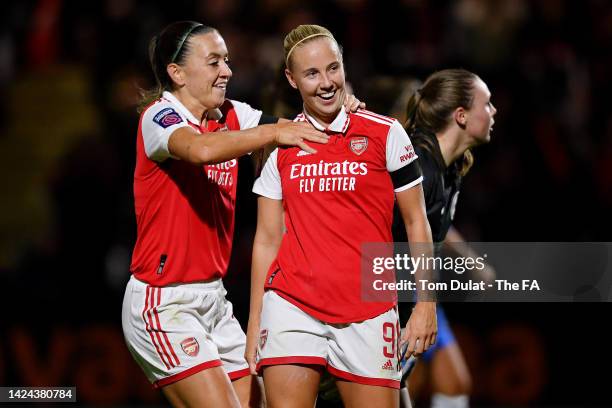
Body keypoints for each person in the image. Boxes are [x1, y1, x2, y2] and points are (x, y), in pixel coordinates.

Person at [119, 20, 368, 408]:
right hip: (164, 304)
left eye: (228, 60)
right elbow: (201, 150)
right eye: (215, 61)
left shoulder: (233, 115)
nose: (228, 71)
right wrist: (274, 133)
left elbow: (296, 129)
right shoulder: (159, 116)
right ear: (177, 73)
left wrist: (340, 112)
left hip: (214, 301)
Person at [246, 24, 437, 408]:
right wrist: (255, 323)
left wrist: (425, 303)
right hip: (292, 307)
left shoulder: (386, 134)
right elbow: (267, 239)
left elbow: (417, 221)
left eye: (333, 68)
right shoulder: (280, 145)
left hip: (369, 310)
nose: (326, 82)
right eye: (312, 73)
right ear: (291, 79)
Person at [393, 68, 497, 408]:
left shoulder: (449, 168)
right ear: (461, 115)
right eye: (487, 103)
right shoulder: (419, 168)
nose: (493, 111)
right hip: (372, 309)